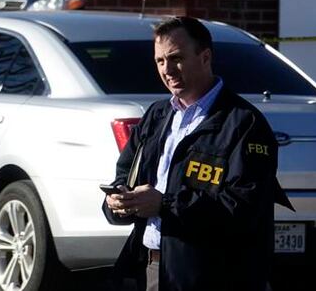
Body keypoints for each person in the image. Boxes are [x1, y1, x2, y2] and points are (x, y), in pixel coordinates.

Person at [102, 16, 290, 291]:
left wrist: (165, 205)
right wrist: (119, 202)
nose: (168, 70)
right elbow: (125, 175)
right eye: (160, 61)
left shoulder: (243, 123)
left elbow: (244, 207)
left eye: (176, 58)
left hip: (216, 275)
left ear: (205, 57)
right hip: (152, 269)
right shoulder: (156, 116)